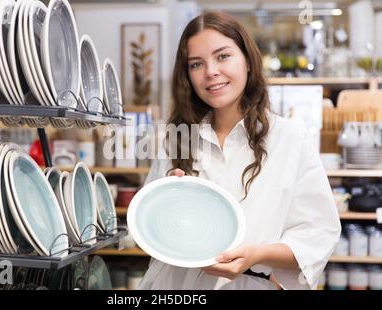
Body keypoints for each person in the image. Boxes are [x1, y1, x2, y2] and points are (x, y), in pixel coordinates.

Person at [137, 11, 341, 290]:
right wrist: (166, 205)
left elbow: (319, 233)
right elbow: (149, 230)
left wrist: (256, 255)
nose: (210, 72)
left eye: (223, 56)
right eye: (196, 64)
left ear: (247, 62)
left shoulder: (289, 138)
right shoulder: (177, 138)